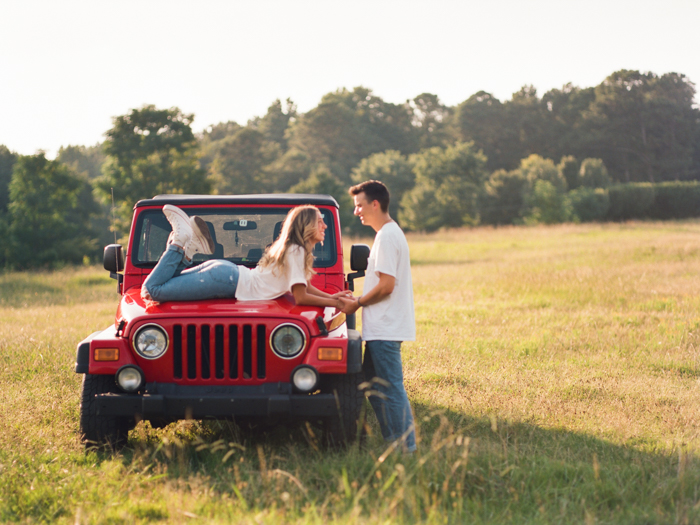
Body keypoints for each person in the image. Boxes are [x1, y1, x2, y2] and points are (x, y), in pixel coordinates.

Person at [142, 204, 353, 310]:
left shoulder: (292, 249)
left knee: (161, 285)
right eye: (319, 221)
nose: (324, 226)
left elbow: (304, 286)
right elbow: (300, 297)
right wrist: (337, 304)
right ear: (307, 226)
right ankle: (179, 240)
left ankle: (188, 251)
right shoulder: (296, 251)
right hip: (226, 280)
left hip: (225, 274)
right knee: (152, 290)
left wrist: (332, 297)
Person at [345, 180, 416, 453]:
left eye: (359, 205)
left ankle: (407, 449)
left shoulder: (387, 236)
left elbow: (386, 286)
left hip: (386, 328)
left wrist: (357, 303)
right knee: (372, 385)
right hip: (381, 328)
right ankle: (394, 442)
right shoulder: (386, 234)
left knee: (391, 388)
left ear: (375, 204)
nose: (357, 211)